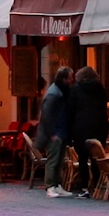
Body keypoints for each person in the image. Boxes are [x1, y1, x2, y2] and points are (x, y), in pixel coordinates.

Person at [67, 66, 109, 197]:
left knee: (82, 159)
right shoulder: (100, 89)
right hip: (99, 126)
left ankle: (84, 187)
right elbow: (104, 107)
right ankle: (97, 186)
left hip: (81, 127)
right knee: (96, 158)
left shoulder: (76, 89)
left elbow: (71, 109)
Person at [36, 67, 72, 197]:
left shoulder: (59, 92)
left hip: (61, 131)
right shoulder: (53, 94)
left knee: (60, 160)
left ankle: (57, 185)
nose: (71, 81)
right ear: (63, 79)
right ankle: (50, 186)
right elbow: (46, 115)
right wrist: (52, 134)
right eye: (69, 78)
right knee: (53, 160)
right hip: (55, 132)